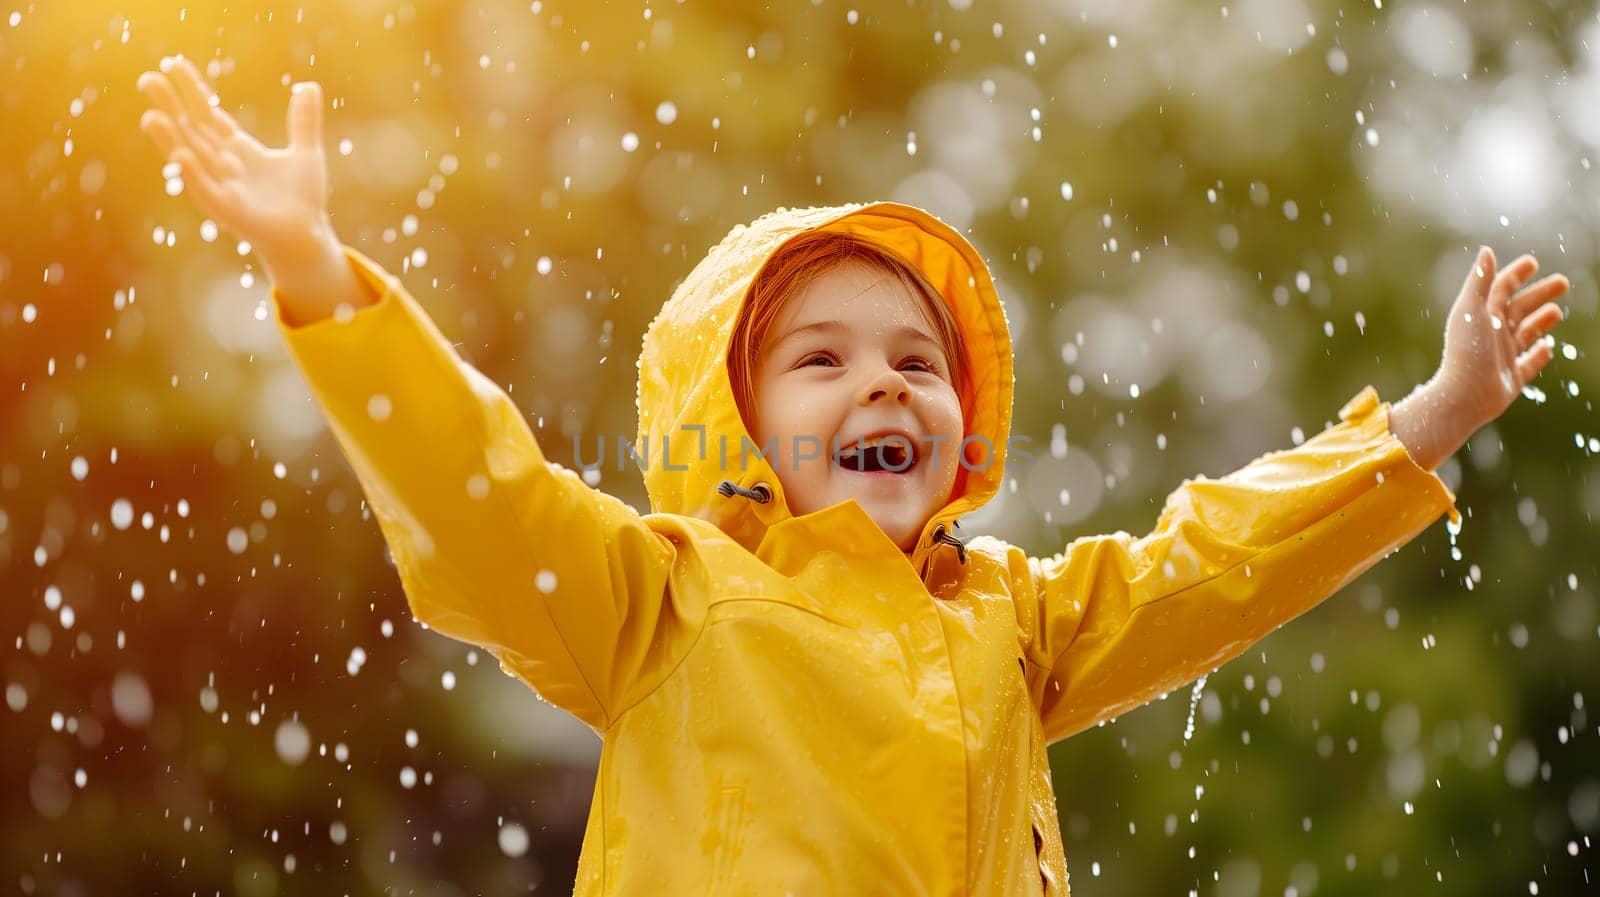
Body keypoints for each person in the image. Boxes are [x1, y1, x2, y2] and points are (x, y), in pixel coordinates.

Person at [136, 55, 1568, 896]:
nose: (883, 379)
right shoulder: (662, 604)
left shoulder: (1017, 619)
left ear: (962, 417)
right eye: (819, 360)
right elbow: (480, 490)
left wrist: (1431, 419)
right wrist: (321, 275)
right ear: (734, 429)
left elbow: (1212, 562)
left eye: (916, 357)